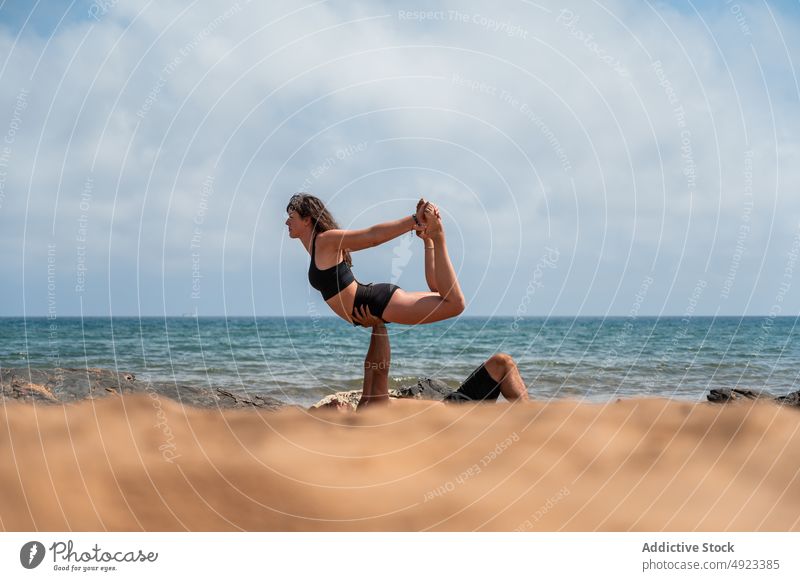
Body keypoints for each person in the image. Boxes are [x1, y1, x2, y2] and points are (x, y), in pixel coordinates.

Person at [286, 193, 465, 327]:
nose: (287, 223)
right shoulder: (319, 247)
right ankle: (429, 239)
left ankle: (438, 236)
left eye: (291, 217)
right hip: (373, 305)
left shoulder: (326, 240)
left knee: (455, 304)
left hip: (376, 304)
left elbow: (372, 237)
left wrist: (414, 220)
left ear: (307, 220)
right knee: (441, 293)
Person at [351, 305, 529, 409]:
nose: (334, 403)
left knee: (502, 362)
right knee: (502, 362)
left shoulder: (365, 403)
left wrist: (375, 326)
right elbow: (381, 370)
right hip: (457, 413)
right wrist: (380, 326)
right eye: (331, 406)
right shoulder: (374, 410)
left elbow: (370, 367)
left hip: (457, 398)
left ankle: (531, 417)